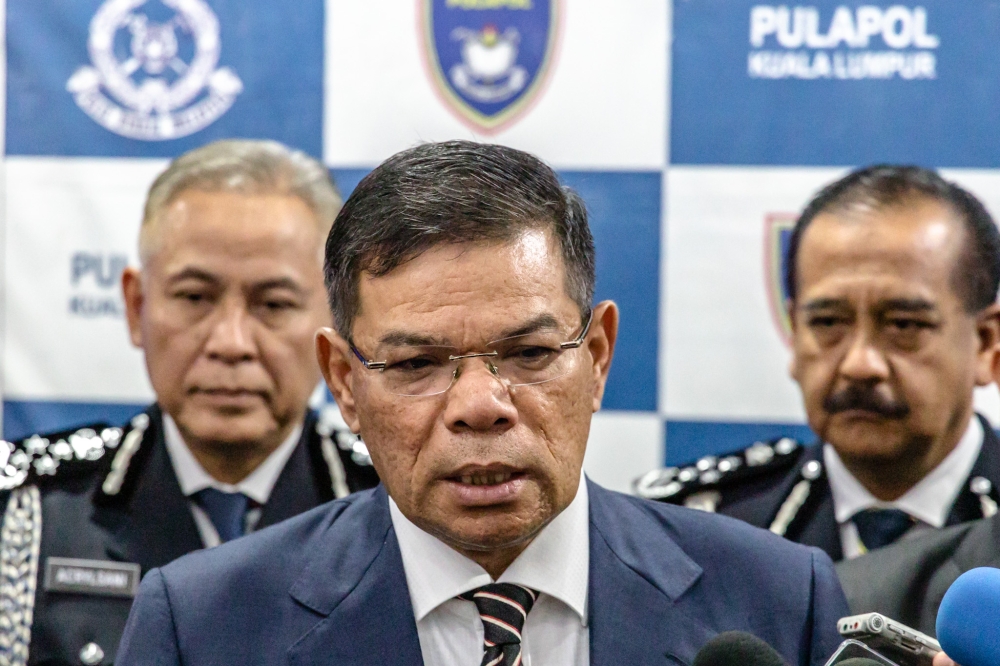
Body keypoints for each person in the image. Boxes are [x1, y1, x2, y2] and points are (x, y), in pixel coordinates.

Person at [116, 141, 847, 666]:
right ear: (344, 382)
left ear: (596, 357)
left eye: (528, 355)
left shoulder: (779, 600)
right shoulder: (204, 625)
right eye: (417, 363)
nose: (479, 406)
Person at [0, 140, 379, 666]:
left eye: (273, 304)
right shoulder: (27, 514)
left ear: (335, 321)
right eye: (195, 297)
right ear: (137, 306)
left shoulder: (393, 511)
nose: (230, 342)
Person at [636, 165, 1000, 561]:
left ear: (986, 344)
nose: (860, 365)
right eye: (827, 323)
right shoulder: (703, 530)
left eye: (903, 325)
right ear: (794, 334)